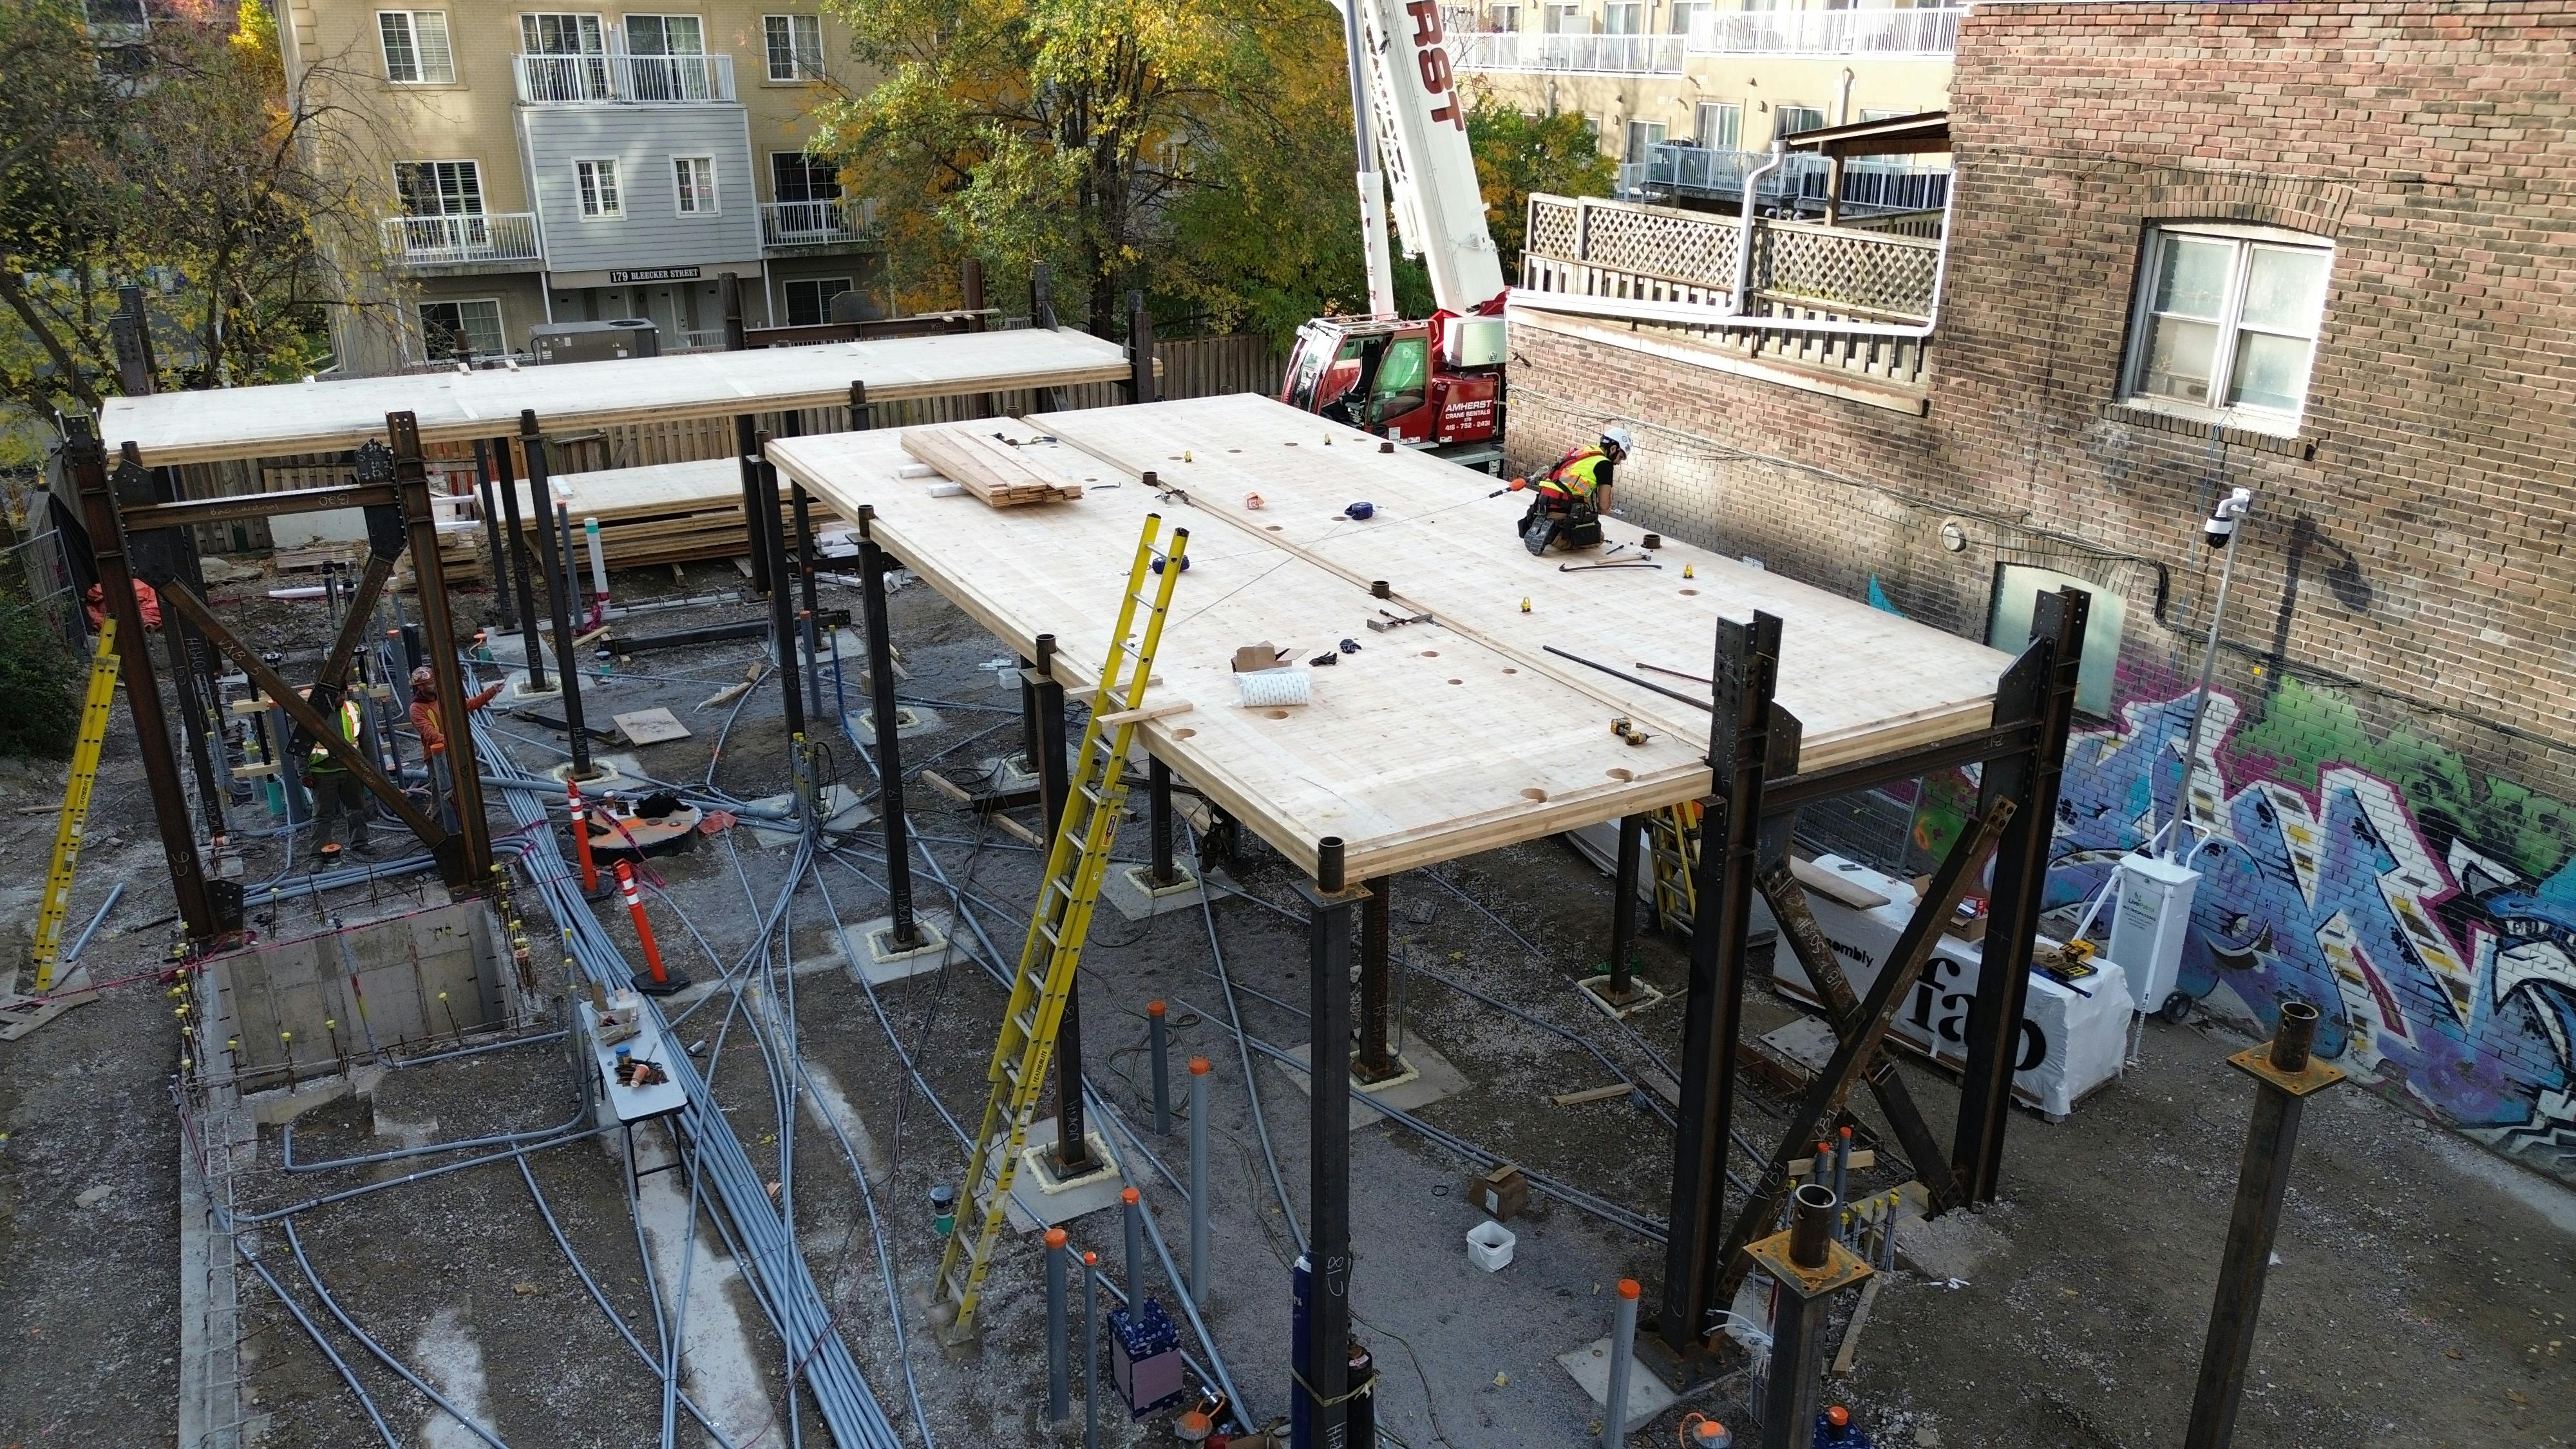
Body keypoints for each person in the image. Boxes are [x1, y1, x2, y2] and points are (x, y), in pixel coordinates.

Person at [1506, 425, 1634, 554]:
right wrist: (1604, 510)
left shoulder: (1583, 453)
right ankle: (1555, 536)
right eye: (1621, 457)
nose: (1619, 462)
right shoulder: (1605, 464)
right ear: (1613, 449)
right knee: (1598, 538)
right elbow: (1604, 506)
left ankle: (1538, 523)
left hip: (1542, 502)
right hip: (1563, 507)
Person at [410, 667, 504, 828]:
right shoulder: (417, 709)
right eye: (429, 683)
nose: (433, 685)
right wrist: (453, 742)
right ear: (420, 687)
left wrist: (492, 691)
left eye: (433, 682)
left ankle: (465, 826)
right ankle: (441, 830)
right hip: (437, 757)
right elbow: (430, 733)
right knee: (442, 794)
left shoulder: (445, 699)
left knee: (464, 789)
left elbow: (469, 704)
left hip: (455, 751)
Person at [301, 688, 370, 860]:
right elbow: (301, 745)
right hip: (323, 772)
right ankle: (318, 852)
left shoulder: (353, 710)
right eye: (338, 694)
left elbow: (365, 740)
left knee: (356, 808)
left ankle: (360, 842)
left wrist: (369, 767)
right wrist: (304, 772)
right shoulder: (313, 713)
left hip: (350, 769)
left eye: (343, 693)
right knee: (322, 815)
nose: (342, 697)